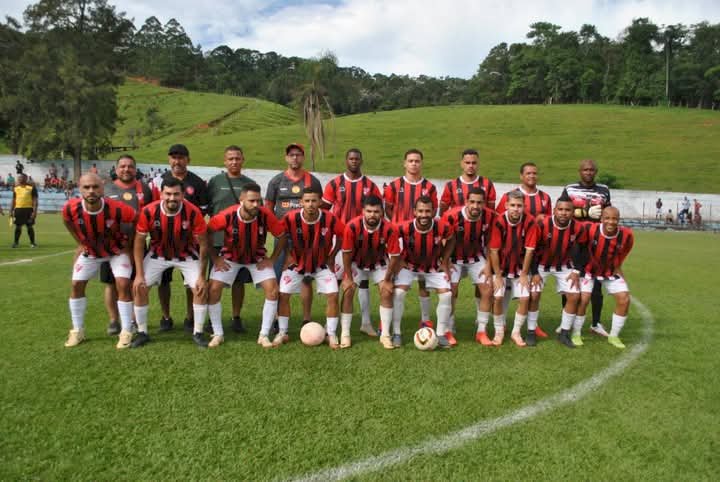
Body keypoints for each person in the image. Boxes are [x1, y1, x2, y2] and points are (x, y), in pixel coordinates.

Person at [131, 177, 210, 348]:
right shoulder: (148, 211)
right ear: (161, 194)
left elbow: (204, 245)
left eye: (176, 194)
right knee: (140, 286)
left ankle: (198, 332)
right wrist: (138, 274)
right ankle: (142, 332)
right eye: (168, 194)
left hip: (187, 255)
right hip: (157, 255)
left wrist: (202, 276)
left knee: (200, 288)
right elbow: (138, 242)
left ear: (183, 195)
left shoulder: (193, 212)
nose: (172, 198)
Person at [61, 173, 137, 348]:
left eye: (95, 187)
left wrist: (129, 246)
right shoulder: (70, 208)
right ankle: (77, 330)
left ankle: (126, 331)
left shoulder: (117, 208)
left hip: (117, 250)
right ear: (79, 189)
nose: (91, 191)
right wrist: (80, 243)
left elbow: (136, 219)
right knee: (76, 285)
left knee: (123, 284)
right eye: (86, 187)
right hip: (91, 252)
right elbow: (67, 222)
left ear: (102, 188)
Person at [207, 183, 286, 348]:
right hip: (229, 258)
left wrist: (271, 259)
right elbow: (206, 232)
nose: (256, 205)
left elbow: (282, 235)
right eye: (251, 201)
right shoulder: (227, 215)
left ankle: (263, 335)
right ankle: (218, 333)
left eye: (258, 201)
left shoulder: (265, 215)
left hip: (257, 259)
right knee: (213, 289)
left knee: (272, 289)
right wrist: (215, 258)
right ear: (241, 200)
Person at [322, 148, 382, 337]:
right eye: (351, 158)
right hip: (340, 240)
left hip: (364, 240)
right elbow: (324, 210)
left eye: (357, 158)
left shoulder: (370, 185)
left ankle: (365, 322)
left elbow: (379, 212)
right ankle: (330, 324)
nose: (354, 161)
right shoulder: (335, 184)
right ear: (346, 160)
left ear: (361, 160)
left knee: (362, 281)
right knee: (339, 281)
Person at [276, 187, 345, 348]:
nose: (311, 204)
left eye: (314, 201)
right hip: (296, 264)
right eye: (307, 201)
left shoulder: (330, 218)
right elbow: (280, 235)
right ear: (301, 203)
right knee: (283, 295)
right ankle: (282, 332)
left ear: (320, 202)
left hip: (321, 265)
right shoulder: (291, 218)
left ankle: (331, 334)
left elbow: (343, 235)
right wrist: (286, 255)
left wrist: (332, 255)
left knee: (333, 295)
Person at [154, 144, 210, 333]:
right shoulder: (158, 181)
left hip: (189, 244)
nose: (177, 161)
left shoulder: (197, 182)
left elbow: (204, 210)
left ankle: (190, 317)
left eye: (181, 157)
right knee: (163, 282)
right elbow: (151, 209)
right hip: (162, 242)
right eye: (173, 157)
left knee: (191, 282)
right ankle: (166, 317)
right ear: (169, 160)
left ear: (188, 159)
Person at [265, 143, 323, 327]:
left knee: (306, 278)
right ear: (286, 158)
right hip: (282, 236)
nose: (295, 158)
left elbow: (318, 207)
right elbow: (268, 209)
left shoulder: (312, 181)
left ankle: (306, 318)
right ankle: (276, 318)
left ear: (303, 157)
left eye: (298, 155)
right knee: (278, 276)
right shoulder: (276, 181)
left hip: (306, 237)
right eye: (291, 155)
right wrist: (277, 230)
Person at [100, 155, 154, 335]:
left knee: (135, 282)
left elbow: (151, 215)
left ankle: (132, 319)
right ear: (116, 169)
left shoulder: (145, 189)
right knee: (111, 283)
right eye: (122, 166)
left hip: (137, 244)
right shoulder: (106, 188)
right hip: (110, 245)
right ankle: (114, 320)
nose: (126, 169)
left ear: (135, 169)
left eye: (130, 166)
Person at [384, 148, 439, 328]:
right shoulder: (393, 186)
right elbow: (388, 209)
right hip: (399, 238)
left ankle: (425, 319)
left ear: (421, 163)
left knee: (423, 278)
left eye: (417, 161)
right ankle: (388, 318)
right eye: (410, 161)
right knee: (393, 275)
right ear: (404, 163)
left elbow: (433, 210)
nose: (414, 163)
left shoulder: (429, 187)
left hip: (422, 237)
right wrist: (398, 226)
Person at [206, 145, 257, 334]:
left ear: (243, 160)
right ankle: (212, 319)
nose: (234, 162)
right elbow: (210, 209)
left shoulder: (249, 184)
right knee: (214, 282)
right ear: (224, 161)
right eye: (230, 159)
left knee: (238, 282)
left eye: (237, 158)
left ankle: (236, 317)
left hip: (242, 242)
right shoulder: (215, 181)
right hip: (219, 241)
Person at [340, 195, 401, 349]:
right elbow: (346, 254)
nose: (372, 215)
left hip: (379, 264)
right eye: (369, 211)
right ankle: (345, 334)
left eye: (376, 211)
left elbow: (394, 257)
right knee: (348, 291)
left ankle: (385, 335)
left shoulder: (389, 228)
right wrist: (348, 277)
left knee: (387, 291)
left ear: (381, 212)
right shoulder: (352, 226)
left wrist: (387, 279)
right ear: (363, 211)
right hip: (356, 263)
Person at [393, 196, 454, 348]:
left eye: (428, 211)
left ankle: (440, 334)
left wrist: (445, 261)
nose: (424, 215)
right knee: (399, 293)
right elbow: (391, 240)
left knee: (447, 294)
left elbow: (452, 240)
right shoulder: (404, 227)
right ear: (414, 212)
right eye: (420, 211)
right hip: (410, 266)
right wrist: (400, 259)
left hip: (433, 267)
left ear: (434, 212)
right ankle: (396, 332)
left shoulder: (443, 227)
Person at [529, 194, 587, 348]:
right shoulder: (542, 224)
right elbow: (532, 250)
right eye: (560, 209)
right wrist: (534, 272)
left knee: (574, 296)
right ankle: (531, 331)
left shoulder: (578, 227)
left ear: (573, 211)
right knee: (534, 295)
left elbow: (583, 249)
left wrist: (576, 270)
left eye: (567, 210)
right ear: (554, 210)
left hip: (564, 266)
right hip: (541, 265)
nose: (563, 213)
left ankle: (564, 333)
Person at [562, 159, 611, 337]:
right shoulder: (569, 189)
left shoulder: (604, 190)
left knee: (596, 285)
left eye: (591, 170)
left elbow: (608, 213)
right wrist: (583, 213)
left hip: (595, 244)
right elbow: (561, 210)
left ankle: (596, 323)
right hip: (574, 242)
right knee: (570, 282)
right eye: (585, 169)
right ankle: (566, 321)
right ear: (579, 171)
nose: (588, 172)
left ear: (596, 171)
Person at [441, 187, 496, 346]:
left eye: (479, 202)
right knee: (451, 290)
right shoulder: (451, 216)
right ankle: (449, 329)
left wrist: (489, 266)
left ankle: (481, 331)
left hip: (476, 257)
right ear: (466, 202)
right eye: (472, 202)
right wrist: (445, 262)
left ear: (484, 203)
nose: (475, 206)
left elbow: (493, 244)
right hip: (453, 259)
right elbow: (442, 240)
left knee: (487, 289)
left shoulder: (490, 217)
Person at [575, 207, 634, 349]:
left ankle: (614, 336)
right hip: (589, 270)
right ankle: (575, 333)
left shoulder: (627, 235)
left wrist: (618, 268)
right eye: (607, 218)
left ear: (618, 220)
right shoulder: (589, 229)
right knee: (584, 300)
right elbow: (577, 243)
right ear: (601, 219)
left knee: (624, 299)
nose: (611, 222)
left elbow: (623, 253)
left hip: (610, 271)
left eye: (614, 219)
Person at [488, 190, 538, 347]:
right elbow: (494, 250)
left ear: (524, 206)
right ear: (506, 205)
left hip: (519, 267)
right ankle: (499, 332)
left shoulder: (530, 222)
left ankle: (516, 332)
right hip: (501, 268)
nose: (516, 209)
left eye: (519, 206)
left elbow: (530, 250)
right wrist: (497, 275)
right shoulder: (498, 221)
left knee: (524, 298)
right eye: (513, 205)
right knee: (497, 297)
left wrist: (524, 274)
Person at [439, 148, 497, 214]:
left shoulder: (488, 184)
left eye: (474, 163)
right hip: (457, 223)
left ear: (478, 164)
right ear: (462, 164)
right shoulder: (450, 185)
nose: (471, 166)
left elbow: (491, 211)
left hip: (480, 223)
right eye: (467, 163)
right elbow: (443, 212)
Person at [11, 173, 38, 248]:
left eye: (21, 178)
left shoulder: (31, 188)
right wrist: (11, 211)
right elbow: (13, 200)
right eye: (19, 178)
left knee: (29, 226)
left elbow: (35, 200)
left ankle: (32, 243)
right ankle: (16, 243)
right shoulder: (16, 188)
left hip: (28, 210)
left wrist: (34, 211)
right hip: (18, 210)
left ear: (25, 179)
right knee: (18, 227)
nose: (19, 179)